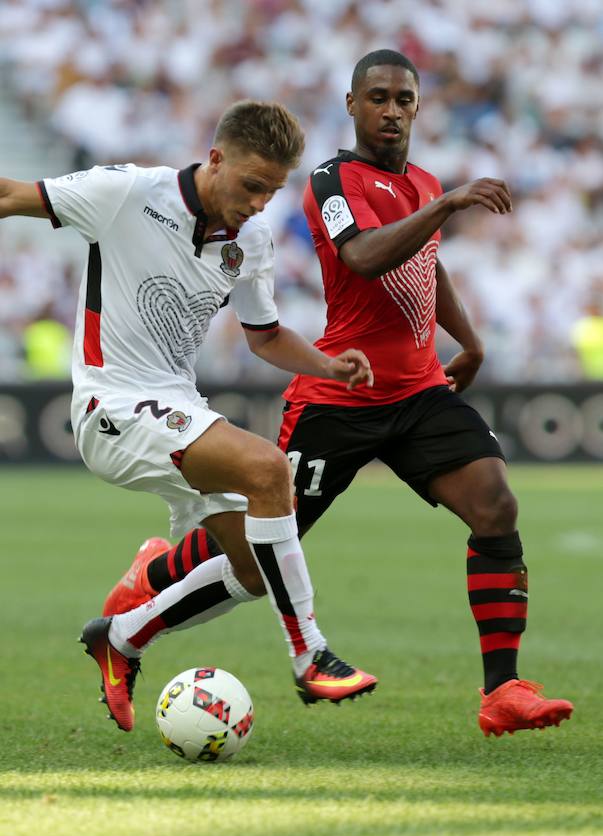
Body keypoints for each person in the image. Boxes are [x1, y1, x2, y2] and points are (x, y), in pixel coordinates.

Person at [113, 52, 574, 738]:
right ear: (352, 104)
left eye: (403, 99)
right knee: (256, 557)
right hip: (339, 398)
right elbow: (362, 256)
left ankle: (502, 689)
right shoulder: (332, 179)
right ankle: (157, 569)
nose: (391, 110)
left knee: (495, 506)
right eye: (378, 97)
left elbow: (426, 263)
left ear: (417, 108)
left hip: (419, 392)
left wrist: (468, 341)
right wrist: (446, 203)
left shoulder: (421, 181)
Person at [0, 99, 378, 732]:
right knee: (267, 469)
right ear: (216, 158)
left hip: (177, 407)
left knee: (255, 573)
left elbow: (264, 336)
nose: (260, 202)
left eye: (272, 190)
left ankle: (121, 636)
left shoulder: (251, 240)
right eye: (252, 185)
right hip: (110, 403)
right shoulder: (124, 192)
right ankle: (311, 654)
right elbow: (12, 194)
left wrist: (328, 365)